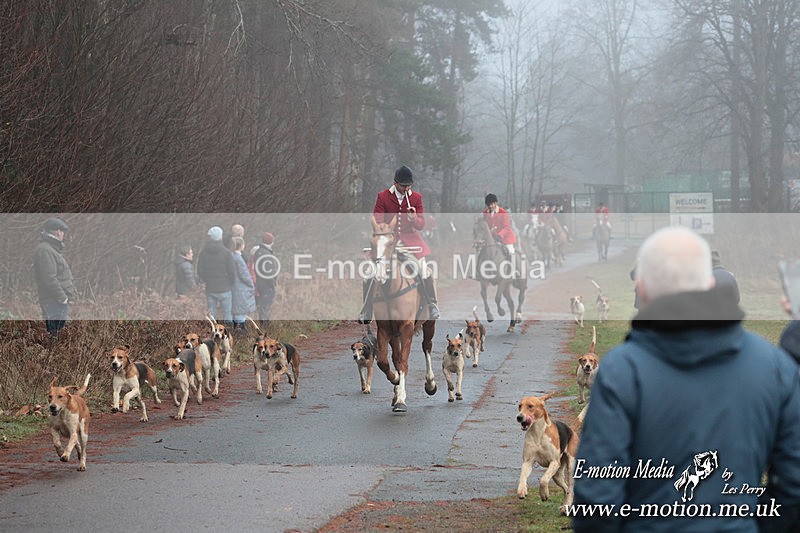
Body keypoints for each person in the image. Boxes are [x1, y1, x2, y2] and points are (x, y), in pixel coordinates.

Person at [572, 225, 800, 532]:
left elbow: (595, 501)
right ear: (709, 282)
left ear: (641, 288)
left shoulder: (621, 372)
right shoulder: (775, 366)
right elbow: (793, 486)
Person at [359, 165, 439, 323]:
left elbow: (421, 224)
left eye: (409, 185)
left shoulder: (416, 198)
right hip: (388, 242)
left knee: (424, 270)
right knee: (369, 272)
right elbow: (378, 217)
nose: (407, 188)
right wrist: (383, 230)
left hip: (410, 243)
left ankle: (432, 304)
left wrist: (413, 218)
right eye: (403, 185)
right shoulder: (383, 196)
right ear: (395, 183)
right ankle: (367, 309)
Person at [33, 217, 76, 336]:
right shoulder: (45, 250)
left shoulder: (51, 249)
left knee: (59, 335)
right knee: (56, 335)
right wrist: (63, 298)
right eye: (62, 232)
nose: (63, 235)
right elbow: (49, 278)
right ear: (58, 231)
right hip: (54, 301)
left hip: (57, 301)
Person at [197, 226, 236, 324]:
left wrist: (207, 280)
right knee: (227, 314)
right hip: (225, 288)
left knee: (212, 315)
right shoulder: (227, 253)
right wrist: (229, 282)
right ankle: (228, 335)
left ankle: (213, 334)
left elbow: (200, 270)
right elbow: (232, 271)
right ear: (220, 237)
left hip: (210, 288)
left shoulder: (204, 252)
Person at [251, 232, 277, 324]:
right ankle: (265, 329)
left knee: (263, 308)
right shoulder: (266, 254)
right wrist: (272, 285)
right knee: (264, 308)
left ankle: (264, 327)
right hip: (266, 285)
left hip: (260, 284)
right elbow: (268, 273)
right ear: (271, 242)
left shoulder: (259, 251)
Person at [230, 236, 255, 330]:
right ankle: (241, 332)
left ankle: (236, 330)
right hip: (240, 288)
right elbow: (244, 275)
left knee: (235, 310)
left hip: (233, 287)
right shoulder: (238, 258)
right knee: (241, 311)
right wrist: (251, 284)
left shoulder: (231, 256)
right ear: (241, 246)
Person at [482, 193, 517, 258]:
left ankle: (514, 268)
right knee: (482, 253)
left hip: (505, 238)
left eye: (492, 204)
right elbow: (483, 226)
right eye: (488, 205)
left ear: (496, 203)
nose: (490, 206)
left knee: (510, 252)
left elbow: (507, 227)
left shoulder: (503, 212)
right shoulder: (485, 213)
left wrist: (499, 235)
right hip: (491, 239)